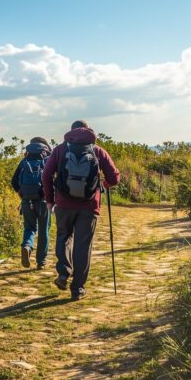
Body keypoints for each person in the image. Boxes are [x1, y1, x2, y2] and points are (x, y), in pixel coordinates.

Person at [41, 120, 120, 300]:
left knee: (63, 237)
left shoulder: (60, 150)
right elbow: (114, 178)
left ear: (71, 132)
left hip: (63, 204)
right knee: (83, 246)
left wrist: (50, 200)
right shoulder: (97, 151)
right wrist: (103, 185)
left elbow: (46, 174)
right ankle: (77, 289)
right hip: (89, 206)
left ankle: (63, 272)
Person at [10, 136, 52, 269]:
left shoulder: (24, 161)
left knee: (29, 228)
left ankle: (27, 246)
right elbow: (52, 180)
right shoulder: (47, 160)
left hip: (26, 200)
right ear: (44, 147)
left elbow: (14, 181)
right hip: (43, 201)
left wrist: (22, 194)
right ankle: (41, 262)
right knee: (44, 229)